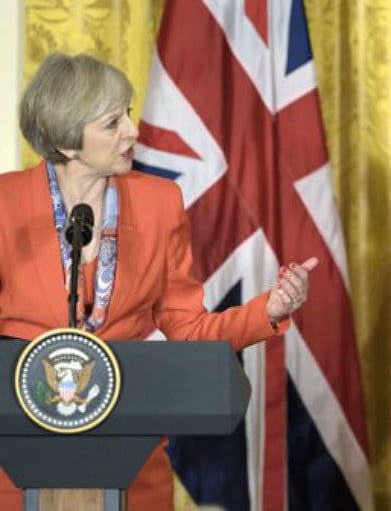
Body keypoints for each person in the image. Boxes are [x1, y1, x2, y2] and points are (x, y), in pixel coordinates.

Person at [0, 52, 319, 510]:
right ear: (68, 142)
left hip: (129, 451)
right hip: (20, 451)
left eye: (127, 114)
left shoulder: (159, 203)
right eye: (113, 123)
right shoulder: (5, 203)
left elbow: (187, 328)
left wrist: (267, 312)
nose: (133, 131)